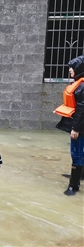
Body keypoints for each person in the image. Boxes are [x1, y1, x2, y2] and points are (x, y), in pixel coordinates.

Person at [54, 55, 84, 196]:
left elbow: (81, 109)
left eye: (72, 68)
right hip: (79, 125)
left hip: (80, 127)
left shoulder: (82, 86)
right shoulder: (79, 84)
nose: (70, 71)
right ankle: (80, 175)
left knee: (76, 153)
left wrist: (76, 128)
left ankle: (74, 186)